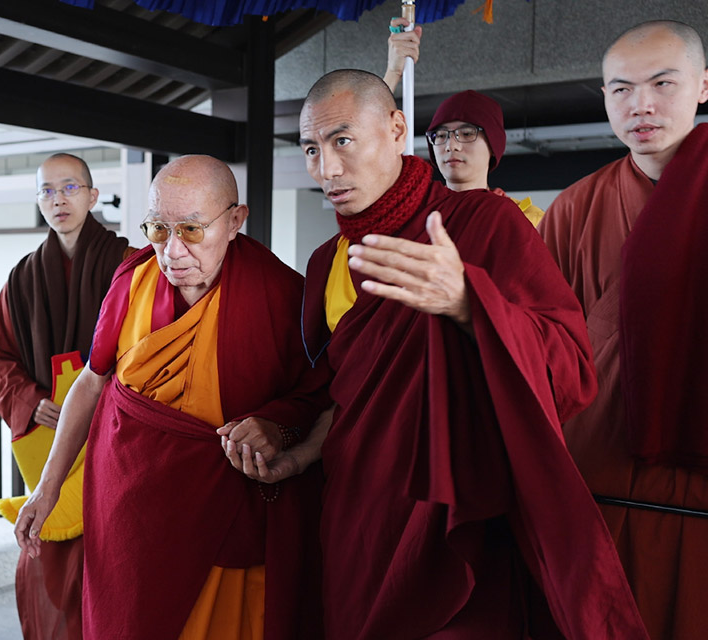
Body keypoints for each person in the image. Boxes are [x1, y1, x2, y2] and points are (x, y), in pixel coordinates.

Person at [225, 68, 649, 639]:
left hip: (460, 522)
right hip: (356, 515)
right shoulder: (327, 261)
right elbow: (337, 392)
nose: (326, 169)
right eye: (311, 148)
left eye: (342, 140)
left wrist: (470, 303)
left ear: (397, 129)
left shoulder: (484, 224)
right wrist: (290, 441)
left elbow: (571, 371)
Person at [14, 155, 331, 639]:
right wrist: (48, 486)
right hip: (128, 515)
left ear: (234, 221)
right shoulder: (132, 280)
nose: (173, 251)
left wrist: (274, 426)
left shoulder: (284, 295)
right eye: (158, 229)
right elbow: (93, 380)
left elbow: (318, 397)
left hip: (226, 513)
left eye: (191, 229)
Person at [538, 20, 708, 640]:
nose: (641, 105)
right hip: (595, 486)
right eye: (620, 90)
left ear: (704, 85)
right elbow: (537, 347)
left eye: (662, 83)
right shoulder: (575, 208)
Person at [0, 152, 131, 639]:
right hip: (50, 436)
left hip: (114, 434)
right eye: (47, 190)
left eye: (70, 187)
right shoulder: (23, 277)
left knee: (111, 556)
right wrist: (29, 401)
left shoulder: (128, 263)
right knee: (49, 554)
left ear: (92, 196)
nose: (58, 199)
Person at [384, 17, 545, 225]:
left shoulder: (528, 221)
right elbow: (365, 134)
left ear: (494, 144)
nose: (451, 145)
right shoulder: (415, 216)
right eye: (440, 135)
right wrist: (393, 72)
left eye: (467, 134)